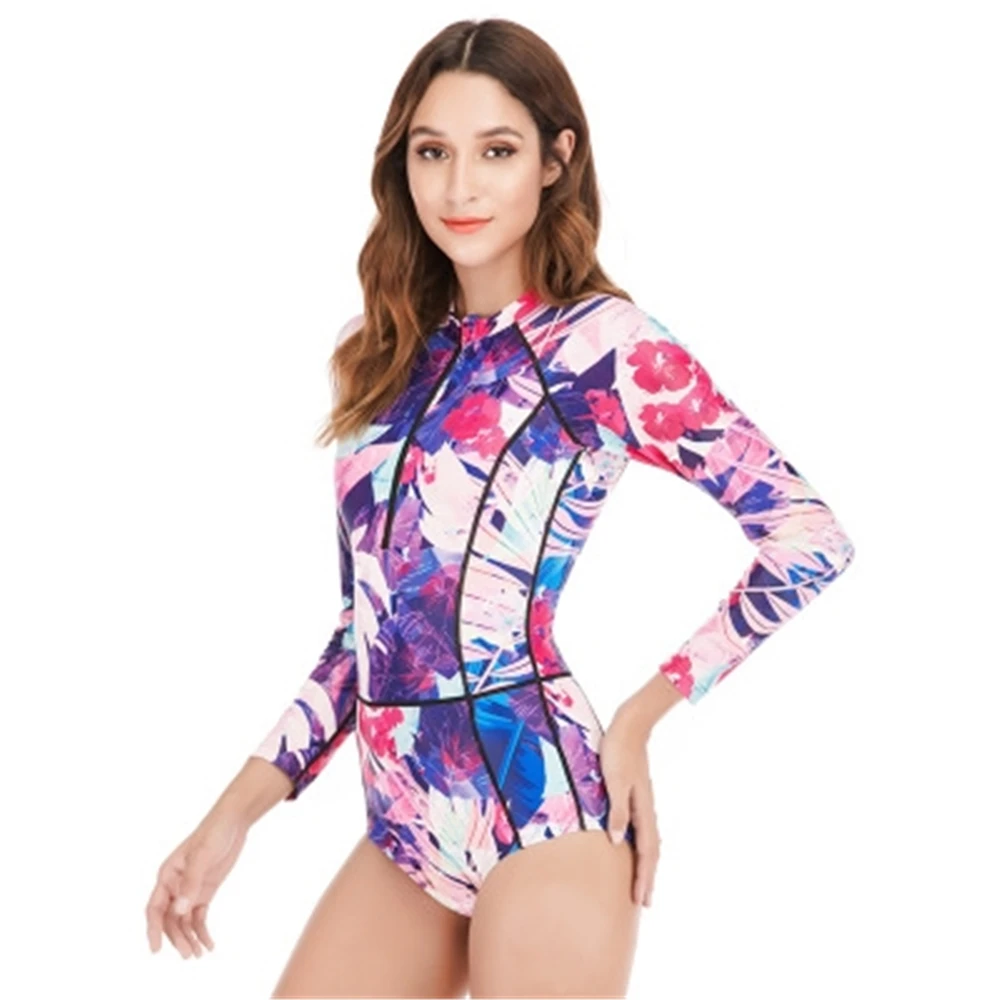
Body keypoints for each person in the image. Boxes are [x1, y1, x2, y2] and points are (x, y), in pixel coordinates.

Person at [145, 17, 855, 998]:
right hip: (402, 823)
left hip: (547, 813)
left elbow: (808, 536)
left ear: (556, 160)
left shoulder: (604, 347)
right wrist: (230, 817)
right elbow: (368, 630)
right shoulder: (374, 355)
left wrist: (642, 716)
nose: (459, 188)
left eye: (497, 150)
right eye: (432, 152)